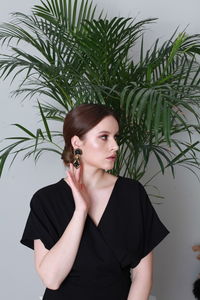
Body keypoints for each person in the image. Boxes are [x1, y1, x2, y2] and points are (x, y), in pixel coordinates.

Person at [20, 103, 170, 300]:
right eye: (104, 137)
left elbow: (142, 275)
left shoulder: (132, 193)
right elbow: (51, 279)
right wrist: (80, 211)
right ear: (77, 142)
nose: (115, 146)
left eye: (115, 137)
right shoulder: (46, 200)